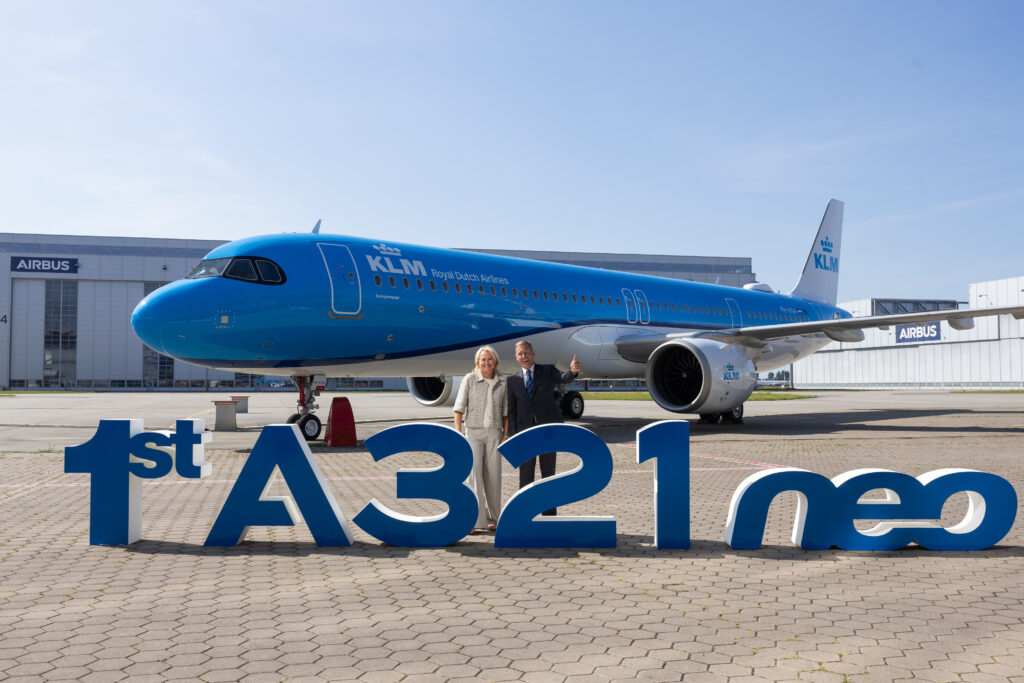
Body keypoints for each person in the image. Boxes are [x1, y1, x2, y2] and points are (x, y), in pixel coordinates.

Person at [506, 340, 581, 515]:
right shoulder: (512, 380)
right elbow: (511, 411)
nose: (524, 356)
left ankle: (549, 515)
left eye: (526, 353)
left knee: (548, 474)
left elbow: (564, 378)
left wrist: (573, 371)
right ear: (516, 357)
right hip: (525, 434)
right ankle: (525, 513)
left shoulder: (547, 370)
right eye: (520, 354)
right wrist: (513, 436)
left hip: (548, 431)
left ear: (533, 354)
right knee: (526, 476)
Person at [453, 345, 508, 533]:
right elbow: (459, 408)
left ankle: (494, 519)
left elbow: (506, 412)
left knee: (494, 477)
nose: (486, 362)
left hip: (494, 432)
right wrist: (459, 432)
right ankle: (475, 520)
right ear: (478, 362)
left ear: (495, 362)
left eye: (490, 359)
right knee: (473, 477)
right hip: (473, 433)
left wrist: (505, 434)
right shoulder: (469, 379)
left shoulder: (502, 382)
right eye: (483, 359)